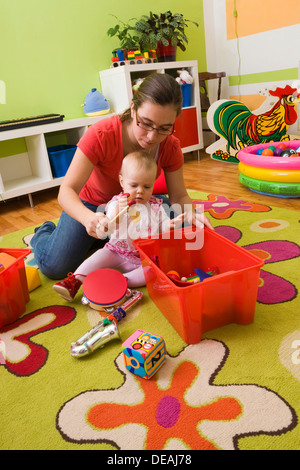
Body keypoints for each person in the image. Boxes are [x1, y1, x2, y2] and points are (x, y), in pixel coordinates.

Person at [31, 73, 213, 280]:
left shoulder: (170, 146)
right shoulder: (101, 134)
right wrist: (89, 219)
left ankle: (109, 240)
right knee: (55, 267)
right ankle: (44, 232)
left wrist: (190, 215)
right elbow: (66, 192)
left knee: (187, 232)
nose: (152, 137)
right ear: (133, 109)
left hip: (142, 203)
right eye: (145, 123)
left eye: (164, 128)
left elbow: (179, 196)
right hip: (94, 207)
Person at [53, 151, 185, 300]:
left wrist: (169, 226)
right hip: (116, 251)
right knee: (98, 257)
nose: (140, 191)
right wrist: (119, 211)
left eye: (147, 187)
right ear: (122, 182)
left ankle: (121, 281)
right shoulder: (116, 203)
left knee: (152, 271)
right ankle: (74, 281)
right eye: (134, 185)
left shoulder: (156, 206)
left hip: (143, 257)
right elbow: (109, 226)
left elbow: (163, 223)